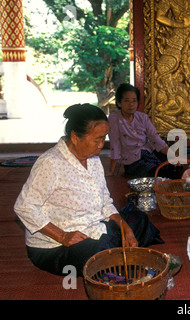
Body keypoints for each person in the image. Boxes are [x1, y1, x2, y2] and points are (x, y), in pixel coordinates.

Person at [14, 104, 163, 276]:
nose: (101, 145)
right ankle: (116, 257)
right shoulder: (50, 163)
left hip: (93, 227)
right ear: (75, 137)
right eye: (97, 139)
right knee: (97, 252)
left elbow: (105, 201)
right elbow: (24, 207)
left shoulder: (92, 158)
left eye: (104, 138)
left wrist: (125, 228)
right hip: (57, 247)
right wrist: (63, 236)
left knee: (138, 220)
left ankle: (116, 254)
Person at [108, 83, 176, 178]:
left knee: (173, 167)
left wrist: (175, 157)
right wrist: (112, 171)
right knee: (158, 173)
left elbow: (155, 139)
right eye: (127, 101)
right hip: (132, 161)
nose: (131, 105)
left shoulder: (142, 117)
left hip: (148, 153)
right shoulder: (114, 118)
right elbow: (115, 144)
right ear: (119, 103)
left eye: (134, 101)